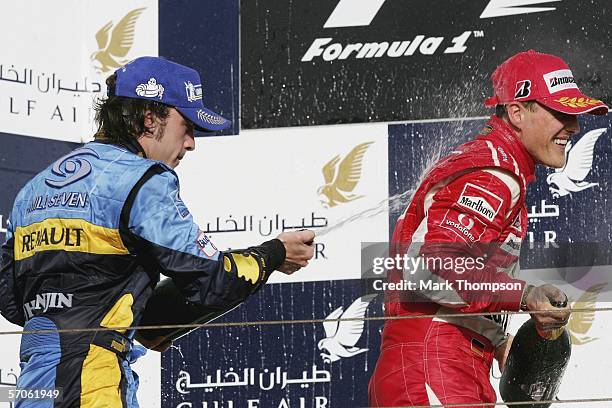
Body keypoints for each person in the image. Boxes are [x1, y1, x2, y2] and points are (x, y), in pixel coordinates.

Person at [0, 56, 315, 407]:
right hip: (93, 389)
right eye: (188, 126)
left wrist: (131, 314)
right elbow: (214, 281)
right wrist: (274, 253)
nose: (192, 142)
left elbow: (12, 301)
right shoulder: (142, 179)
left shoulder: (33, 190)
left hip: (33, 389)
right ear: (150, 120)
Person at [368, 50, 608, 406]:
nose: (573, 127)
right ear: (517, 112)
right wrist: (526, 296)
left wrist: (495, 340)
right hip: (434, 368)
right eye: (561, 113)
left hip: (443, 365)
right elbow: (431, 270)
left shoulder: (499, 168)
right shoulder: (494, 173)